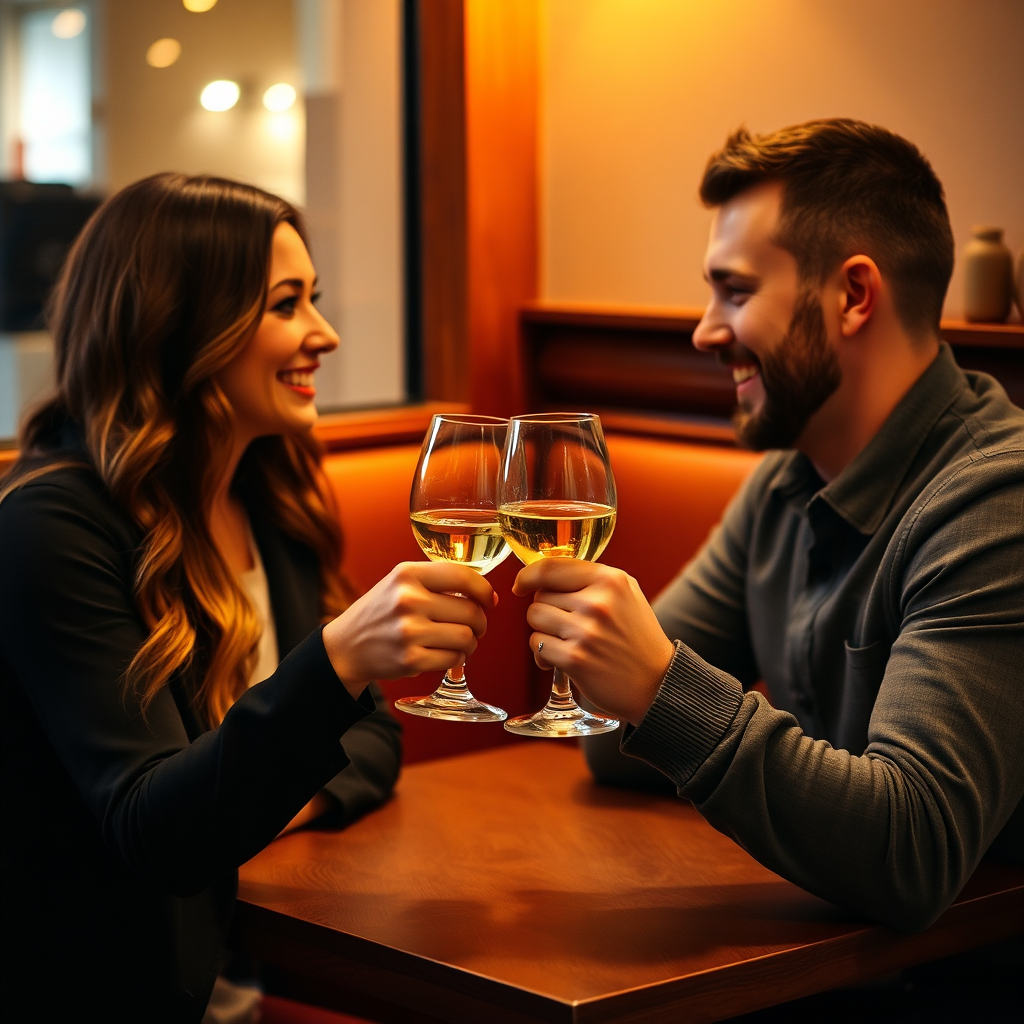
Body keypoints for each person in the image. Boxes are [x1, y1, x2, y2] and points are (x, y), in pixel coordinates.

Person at [0, 174, 495, 1023]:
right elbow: (155, 832)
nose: (325, 335)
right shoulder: (52, 526)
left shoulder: (269, 492)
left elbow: (373, 738)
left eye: (317, 300)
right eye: (286, 305)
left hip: (244, 990)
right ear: (179, 325)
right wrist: (337, 660)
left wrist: (257, 807)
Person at [513, 119, 1024, 932]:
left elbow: (912, 847)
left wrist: (656, 684)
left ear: (854, 296)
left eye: (737, 291)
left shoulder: (997, 504)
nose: (705, 329)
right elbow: (611, 746)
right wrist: (631, 685)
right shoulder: (786, 484)